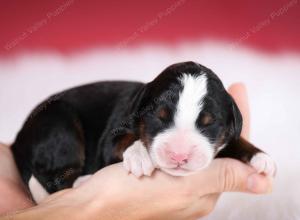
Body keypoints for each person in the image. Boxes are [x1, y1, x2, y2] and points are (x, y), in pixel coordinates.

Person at [0, 83, 273, 220]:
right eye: (162, 120)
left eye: (206, 126)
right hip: (54, 124)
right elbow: (114, 141)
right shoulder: (135, 114)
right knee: (61, 135)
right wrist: (80, 206)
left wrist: (249, 153)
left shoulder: (226, 124)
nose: (179, 153)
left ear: (231, 120)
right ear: (143, 111)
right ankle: (59, 184)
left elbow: (230, 138)